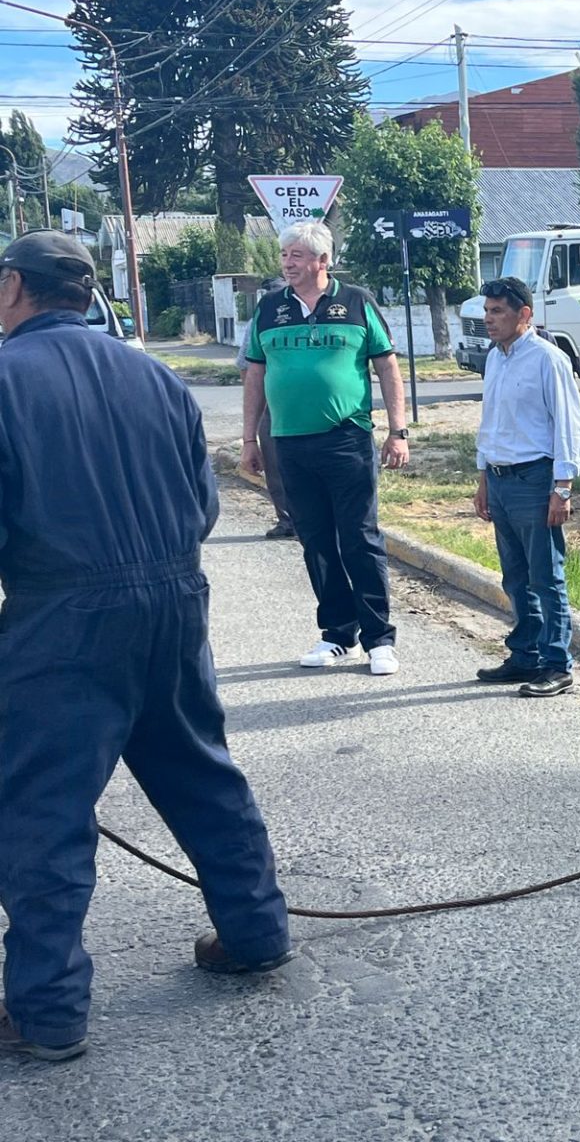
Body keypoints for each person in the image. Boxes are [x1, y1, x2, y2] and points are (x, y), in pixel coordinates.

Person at [0, 231, 293, 1063]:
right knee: (201, 769)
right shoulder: (155, 376)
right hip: (173, 601)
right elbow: (202, 509)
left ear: (15, 287)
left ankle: (47, 1011)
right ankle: (258, 931)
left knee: (41, 810)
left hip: (62, 617)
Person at [240, 221, 410, 676]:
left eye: (296, 255)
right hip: (289, 443)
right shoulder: (269, 309)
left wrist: (398, 431)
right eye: (284, 255)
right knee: (314, 539)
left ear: (322, 260)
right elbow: (254, 375)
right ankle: (338, 634)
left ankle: (379, 639)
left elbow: (388, 368)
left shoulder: (356, 303)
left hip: (347, 439)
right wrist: (248, 440)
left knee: (359, 536)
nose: (287, 263)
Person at [472, 277, 580, 697]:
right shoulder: (496, 358)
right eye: (487, 311)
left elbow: (569, 427)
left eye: (498, 311)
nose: (489, 319)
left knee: (545, 577)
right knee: (515, 577)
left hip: (535, 479)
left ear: (525, 314)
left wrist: (563, 488)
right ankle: (525, 655)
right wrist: (483, 477)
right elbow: (491, 423)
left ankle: (557, 663)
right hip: (500, 480)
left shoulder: (547, 359)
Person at [235, 278, 294, 539]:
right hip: (273, 401)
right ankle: (288, 520)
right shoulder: (263, 319)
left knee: (278, 465)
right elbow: (248, 366)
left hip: (282, 401)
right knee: (274, 464)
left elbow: (243, 369)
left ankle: (291, 520)